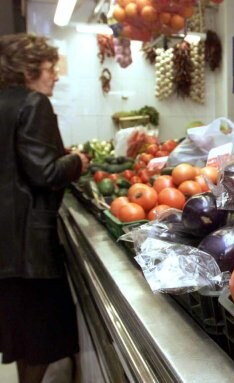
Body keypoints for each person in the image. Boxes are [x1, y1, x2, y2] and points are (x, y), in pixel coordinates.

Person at [0, 33, 89, 383]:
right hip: (29, 247)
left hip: (7, 244)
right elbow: (46, 173)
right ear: (28, 71)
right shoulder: (33, 103)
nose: (56, 76)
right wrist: (76, 161)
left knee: (21, 335)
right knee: (41, 337)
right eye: (50, 69)